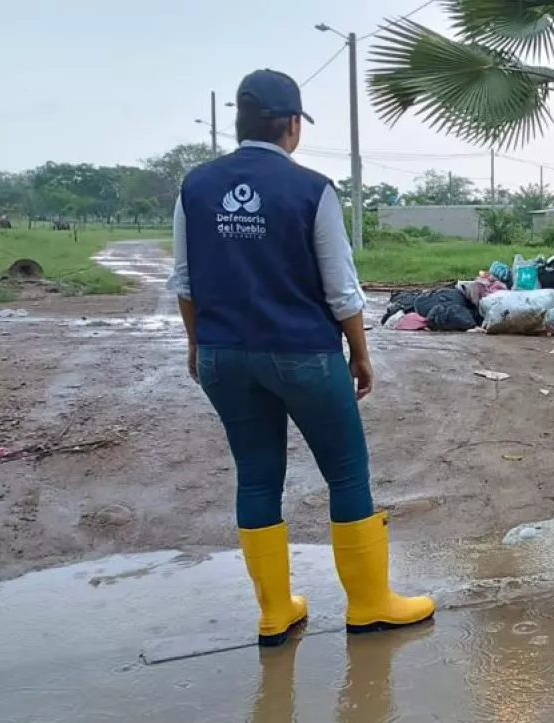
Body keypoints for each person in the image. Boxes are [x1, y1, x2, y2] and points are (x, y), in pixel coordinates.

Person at [168, 69, 434, 647]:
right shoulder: (312, 189)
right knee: (345, 471)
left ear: (240, 122)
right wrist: (359, 354)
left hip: (224, 356)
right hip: (304, 355)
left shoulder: (195, 187)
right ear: (291, 125)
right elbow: (341, 289)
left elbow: (185, 283)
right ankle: (369, 604)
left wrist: (198, 345)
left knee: (258, 476)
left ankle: (275, 612)